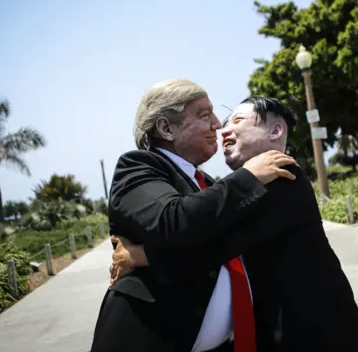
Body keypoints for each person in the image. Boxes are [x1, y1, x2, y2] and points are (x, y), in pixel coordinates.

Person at [110, 96, 358, 352]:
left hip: (322, 335)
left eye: (237, 120)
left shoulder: (285, 177)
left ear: (275, 130)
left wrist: (141, 255)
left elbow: (220, 246)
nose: (223, 129)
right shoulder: (232, 190)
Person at [90, 80, 299, 352]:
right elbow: (174, 221)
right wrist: (249, 176)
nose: (217, 124)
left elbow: (225, 247)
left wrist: (145, 256)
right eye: (204, 115)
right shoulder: (139, 166)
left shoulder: (208, 185)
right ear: (166, 128)